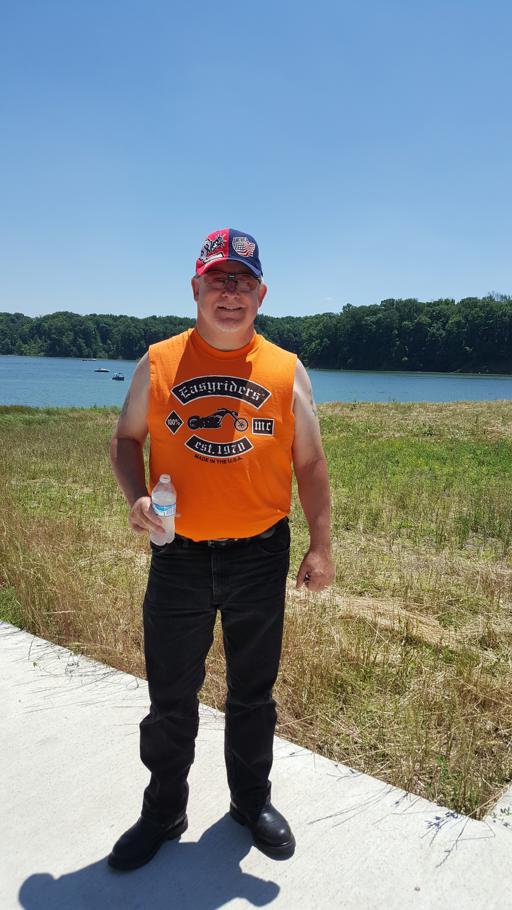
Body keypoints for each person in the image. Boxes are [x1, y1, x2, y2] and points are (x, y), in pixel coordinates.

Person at [108, 228, 335, 871]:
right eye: (218, 278)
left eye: (243, 280)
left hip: (260, 554)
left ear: (261, 294)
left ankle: (250, 802)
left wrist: (320, 546)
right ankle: (163, 810)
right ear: (196, 288)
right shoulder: (159, 362)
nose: (229, 292)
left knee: (253, 693)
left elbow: (310, 463)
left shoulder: (286, 369)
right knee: (170, 696)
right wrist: (136, 497)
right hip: (177, 554)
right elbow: (125, 440)